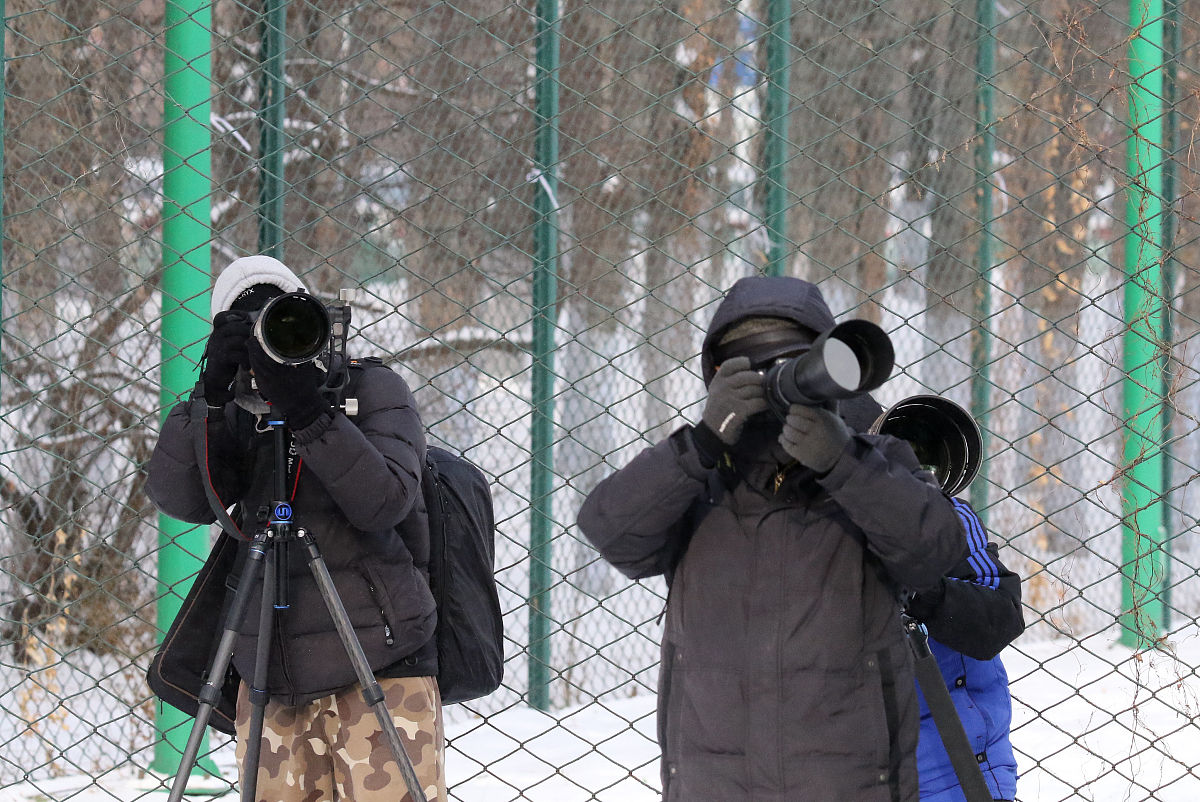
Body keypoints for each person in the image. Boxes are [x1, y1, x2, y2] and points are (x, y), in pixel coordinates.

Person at [576, 274, 968, 801]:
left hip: (845, 783)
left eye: (795, 363)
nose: (775, 381)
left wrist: (842, 463)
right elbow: (611, 531)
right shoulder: (697, 478)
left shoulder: (875, 463)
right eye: (753, 365)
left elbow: (934, 552)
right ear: (716, 375)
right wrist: (701, 443)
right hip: (716, 784)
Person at [146, 255, 445, 802]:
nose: (269, 341)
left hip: (382, 663)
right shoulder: (234, 409)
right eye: (250, 327)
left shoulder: (370, 389)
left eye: (282, 320)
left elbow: (384, 502)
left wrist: (309, 410)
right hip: (269, 674)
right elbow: (182, 499)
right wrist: (207, 396)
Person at [846, 395, 1024, 802]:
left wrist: (920, 585)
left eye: (912, 459)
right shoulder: (808, 538)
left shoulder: (954, 521)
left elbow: (998, 621)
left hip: (964, 768)